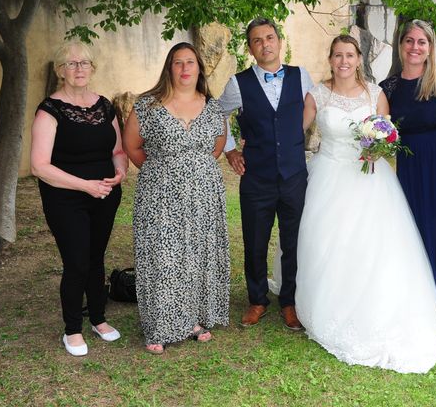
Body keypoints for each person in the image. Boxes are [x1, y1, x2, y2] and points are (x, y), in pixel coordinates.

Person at [295, 34, 436, 373]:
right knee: (327, 244)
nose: (343, 61)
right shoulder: (316, 94)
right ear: (330, 59)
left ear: (359, 58)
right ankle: (327, 305)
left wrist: (379, 147)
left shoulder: (376, 94)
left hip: (370, 179)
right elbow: (294, 134)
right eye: (337, 55)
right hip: (328, 177)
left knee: (373, 247)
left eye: (349, 55)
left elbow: (388, 135)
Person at [123, 42, 229, 354]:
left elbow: (217, 146)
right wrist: (162, 171)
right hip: (160, 195)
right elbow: (132, 146)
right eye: (178, 63)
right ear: (169, 68)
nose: (185, 69)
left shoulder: (212, 107)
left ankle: (193, 319)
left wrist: (195, 172)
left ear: (199, 68)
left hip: (204, 195)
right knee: (163, 257)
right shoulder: (147, 105)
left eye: (190, 62)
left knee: (196, 255)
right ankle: (159, 325)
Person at [31, 41, 127, 357]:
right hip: (65, 198)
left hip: (105, 194)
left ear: (92, 69)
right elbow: (39, 166)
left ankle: (98, 318)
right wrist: (85, 185)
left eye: (84, 63)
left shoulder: (105, 106)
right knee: (76, 262)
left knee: (96, 257)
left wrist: (120, 171)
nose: (79, 69)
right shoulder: (50, 110)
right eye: (71, 64)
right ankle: (72, 329)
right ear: (60, 71)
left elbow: (117, 150)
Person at [218, 18, 313, 330]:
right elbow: (216, 113)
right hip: (256, 177)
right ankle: (257, 299)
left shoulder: (301, 77)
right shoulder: (238, 83)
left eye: (269, 37)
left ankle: (290, 302)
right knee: (255, 242)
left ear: (279, 41)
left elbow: (318, 112)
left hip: (294, 175)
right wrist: (230, 149)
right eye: (257, 40)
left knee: (293, 241)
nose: (265, 44)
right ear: (250, 48)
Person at [379, 20, 436, 330]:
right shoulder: (388, 87)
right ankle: (415, 306)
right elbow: (380, 131)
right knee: (412, 232)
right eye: (409, 41)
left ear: (431, 48)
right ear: (400, 45)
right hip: (410, 168)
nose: (415, 47)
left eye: (422, 42)